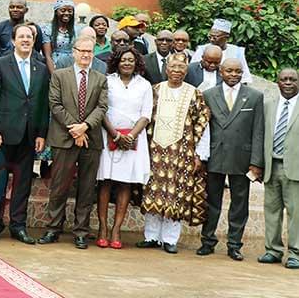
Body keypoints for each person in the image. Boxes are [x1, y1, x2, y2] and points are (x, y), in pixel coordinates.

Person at [38, 36, 108, 249]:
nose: (86, 54)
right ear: (74, 52)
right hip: (64, 138)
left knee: (86, 189)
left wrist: (85, 126)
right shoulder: (60, 75)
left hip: (91, 139)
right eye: (82, 50)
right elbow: (55, 105)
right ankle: (53, 229)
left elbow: (102, 107)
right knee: (59, 187)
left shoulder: (100, 78)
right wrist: (75, 130)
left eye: (89, 51)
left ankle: (81, 232)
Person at [138, 53, 210, 254]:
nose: (176, 71)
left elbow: (203, 124)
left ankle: (170, 239)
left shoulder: (194, 93)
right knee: (153, 192)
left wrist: (199, 155)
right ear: (166, 69)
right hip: (155, 152)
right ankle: (151, 236)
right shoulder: (155, 90)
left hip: (182, 153)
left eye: (181, 67)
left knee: (176, 194)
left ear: (186, 70)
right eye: (173, 67)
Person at [0, 24, 49, 243]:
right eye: (21, 36)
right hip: (2, 134)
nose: (25, 40)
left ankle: (18, 226)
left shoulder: (41, 68)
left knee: (23, 185)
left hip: (29, 136)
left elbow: (42, 103)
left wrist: (41, 133)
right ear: (13, 41)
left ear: (33, 41)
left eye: (29, 37)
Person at [197, 58, 264, 261]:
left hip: (242, 158)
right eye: (229, 71)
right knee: (211, 201)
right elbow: (203, 127)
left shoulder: (254, 96)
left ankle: (234, 244)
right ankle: (207, 241)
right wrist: (201, 156)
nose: (234, 75)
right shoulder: (209, 94)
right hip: (215, 155)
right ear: (221, 71)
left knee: (239, 203)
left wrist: (256, 162)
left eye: (238, 71)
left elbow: (258, 131)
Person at [95, 47, 152, 249]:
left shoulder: (144, 85)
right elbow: (100, 110)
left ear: (137, 63)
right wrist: (115, 135)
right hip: (108, 135)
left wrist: (130, 136)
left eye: (131, 60)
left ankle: (116, 229)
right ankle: (102, 228)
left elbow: (146, 114)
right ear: (116, 62)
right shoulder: (107, 81)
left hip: (133, 139)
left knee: (125, 183)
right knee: (105, 181)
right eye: (123, 60)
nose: (127, 63)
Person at [258, 68, 299, 269]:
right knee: (271, 211)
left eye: (292, 79)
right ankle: (272, 250)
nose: (288, 83)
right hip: (271, 166)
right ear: (278, 82)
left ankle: (295, 253)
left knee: (296, 212)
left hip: (295, 168)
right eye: (284, 79)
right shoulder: (268, 106)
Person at [191, 19, 252, 84]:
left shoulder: (237, 52)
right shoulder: (202, 49)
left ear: (226, 37)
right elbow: (194, 71)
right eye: (210, 36)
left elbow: (244, 77)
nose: (211, 39)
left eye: (215, 37)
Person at [41, 0, 80, 72]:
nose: (66, 13)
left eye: (70, 11)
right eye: (63, 10)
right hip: (55, 64)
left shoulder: (77, 29)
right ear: (56, 12)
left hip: (72, 65)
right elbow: (47, 56)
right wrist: (54, 75)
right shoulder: (48, 29)